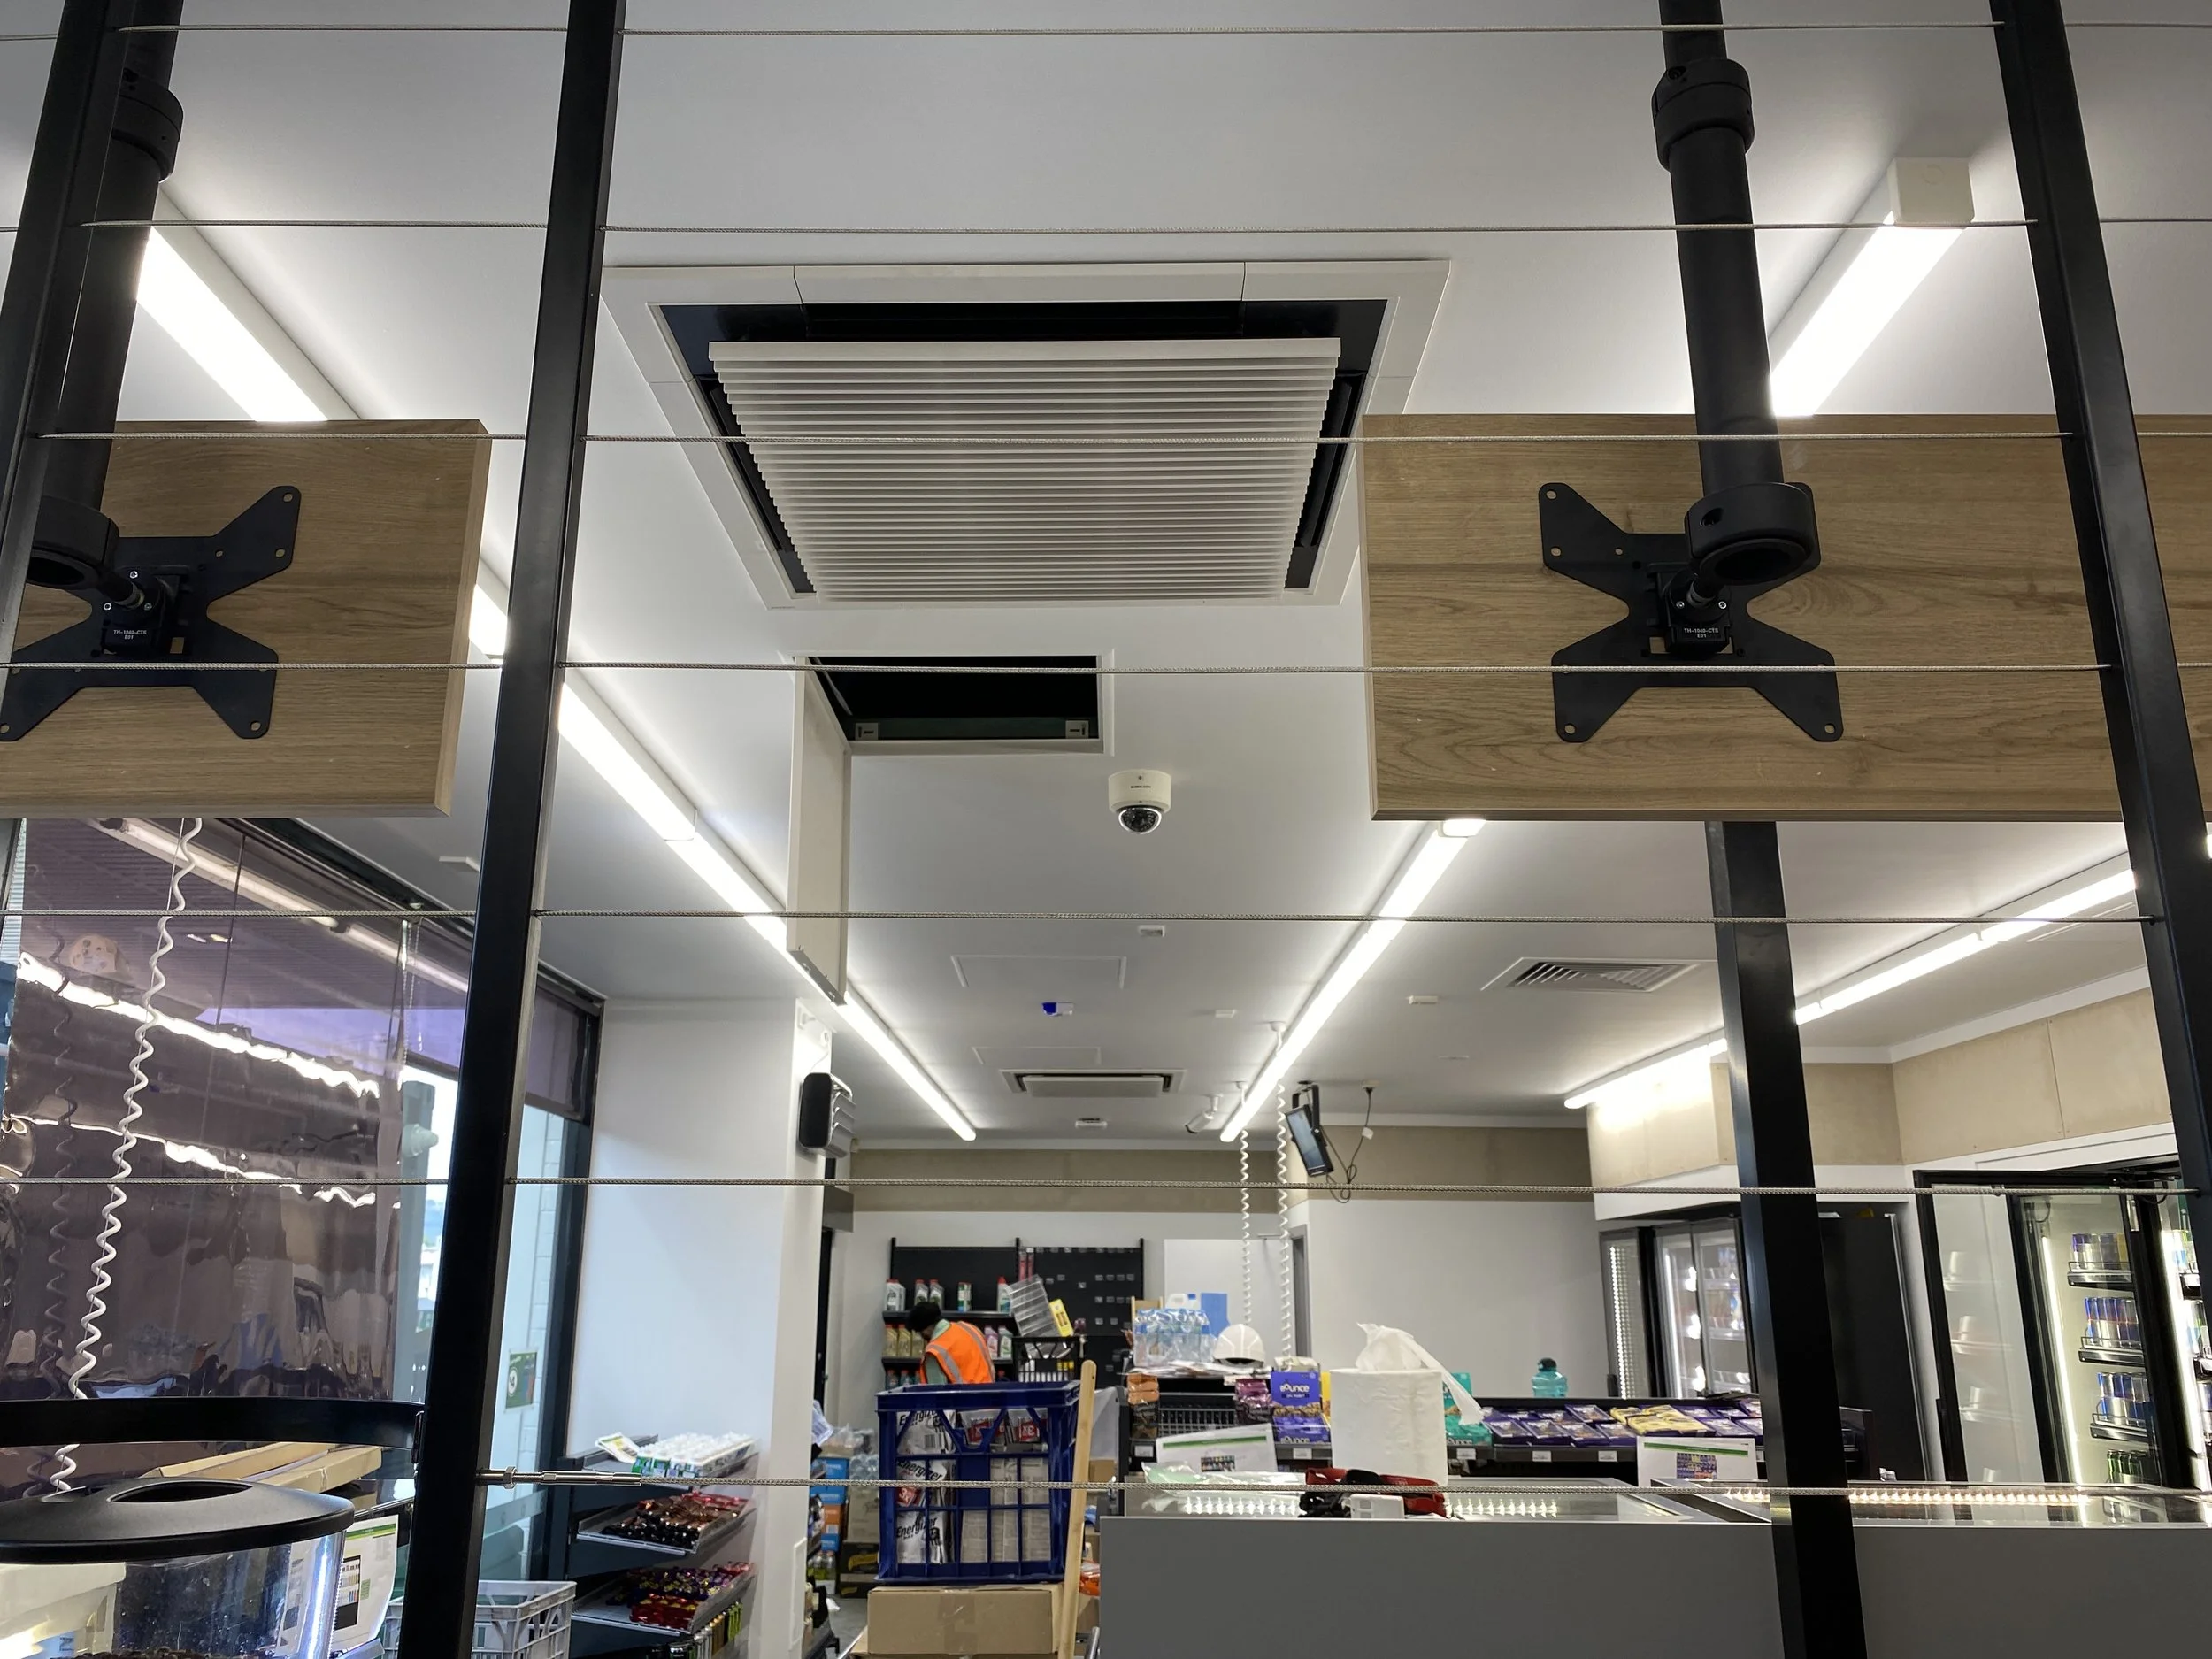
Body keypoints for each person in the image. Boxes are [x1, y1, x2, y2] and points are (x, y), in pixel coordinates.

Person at [907, 1298, 994, 1385]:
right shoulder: (970, 1329)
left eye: (920, 1333)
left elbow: (936, 1394)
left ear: (926, 1328)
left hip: (964, 1398)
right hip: (991, 1394)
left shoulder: (934, 1352)